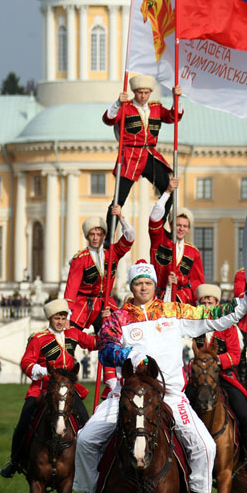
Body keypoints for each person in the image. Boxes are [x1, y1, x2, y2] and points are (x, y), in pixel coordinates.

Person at [72, 260, 247, 493]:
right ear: (131, 286)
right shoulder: (119, 317)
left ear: (154, 285)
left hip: (170, 396)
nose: (143, 287)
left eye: (147, 282)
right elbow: (106, 346)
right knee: (85, 439)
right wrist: (126, 353)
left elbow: (214, 314)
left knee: (207, 446)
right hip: (130, 395)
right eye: (138, 283)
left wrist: (243, 303)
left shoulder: (173, 310)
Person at [0, 299, 97, 478]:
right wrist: (44, 371)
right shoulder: (39, 338)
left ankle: (90, 462)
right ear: (50, 319)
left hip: (67, 389)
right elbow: (26, 362)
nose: (60, 322)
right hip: (43, 387)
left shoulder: (73, 333)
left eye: (63, 317)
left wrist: (106, 327)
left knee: (86, 424)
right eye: (56, 318)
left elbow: (94, 343)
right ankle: (15, 461)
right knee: (23, 424)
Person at [189, 284, 247, 474]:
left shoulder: (228, 326)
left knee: (244, 414)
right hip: (198, 378)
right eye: (203, 301)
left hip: (223, 377)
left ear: (217, 303)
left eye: (209, 301)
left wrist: (212, 362)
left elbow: (235, 355)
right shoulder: (193, 325)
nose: (206, 303)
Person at [102, 75, 183, 234]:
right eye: (140, 92)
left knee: (169, 190)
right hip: (130, 157)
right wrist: (118, 103)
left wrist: (176, 98)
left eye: (146, 92)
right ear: (134, 92)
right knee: (118, 200)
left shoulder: (156, 108)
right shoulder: (125, 108)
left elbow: (174, 117)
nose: (143, 96)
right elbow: (108, 119)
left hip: (150, 156)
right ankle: (109, 235)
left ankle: (160, 225)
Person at [64, 205, 135, 332]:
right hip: (83, 305)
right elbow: (71, 289)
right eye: (92, 234)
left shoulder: (113, 252)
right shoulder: (80, 259)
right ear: (87, 236)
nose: (95, 238)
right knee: (70, 338)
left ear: (104, 236)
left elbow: (130, 237)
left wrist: (120, 217)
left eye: (99, 234)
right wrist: (67, 316)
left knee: (110, 338)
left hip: (105, 303)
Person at [149, 177, 205, 304]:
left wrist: (179, 279)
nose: (181, 229)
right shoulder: (159, 239)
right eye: (178, 225)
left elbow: (197, 282)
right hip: (159, 297)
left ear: (189, 229)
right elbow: (154, 217)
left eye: (185, 226)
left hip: (183, 300)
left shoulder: (193, 252)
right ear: (170, 225)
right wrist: (168, 192)